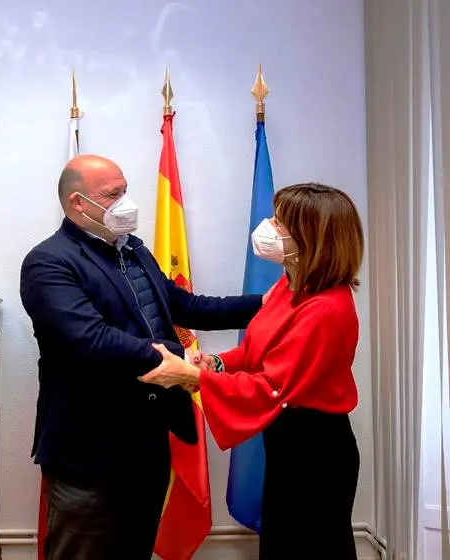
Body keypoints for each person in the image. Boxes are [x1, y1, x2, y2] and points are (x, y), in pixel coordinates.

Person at [19, 154, 267, 560]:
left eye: (125, 191)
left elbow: (187, 306)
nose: (124, 203)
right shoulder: (49, 262)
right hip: (89, 449)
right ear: (78, 203)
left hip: (147, 441)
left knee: (135, 549)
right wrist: (178, 357)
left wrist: (269, 303)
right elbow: (90, 340)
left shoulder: (132, 250)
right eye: (112, 195)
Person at [139, 182, 363, 560]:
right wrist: (219, 363)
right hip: (288, 440)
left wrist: (191, 376)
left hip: (315, 447)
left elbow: (272, 386)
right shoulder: (293, 286)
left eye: (279, 222)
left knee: (313, 546)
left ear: (310, 236)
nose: (267, 228)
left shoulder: (326, 308)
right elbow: (260, 349)